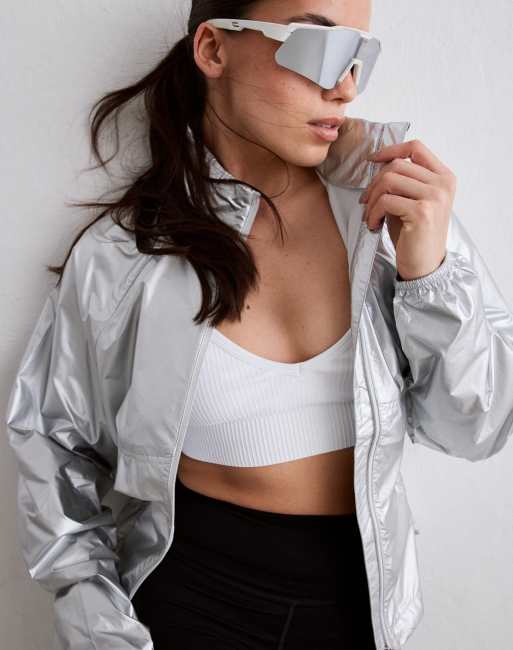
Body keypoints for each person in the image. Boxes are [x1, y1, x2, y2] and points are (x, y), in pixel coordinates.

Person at [5, 1, 513, 649]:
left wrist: (428, 273)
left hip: (357, 613)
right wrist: (99, 627)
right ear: (214, 49)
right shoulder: (128, 254)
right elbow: (53, 445)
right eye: (320, 48)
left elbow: (475, 428)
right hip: (187, 609)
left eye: (361, 55)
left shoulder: (393, 215)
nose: (346, 86)